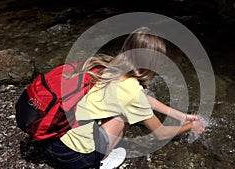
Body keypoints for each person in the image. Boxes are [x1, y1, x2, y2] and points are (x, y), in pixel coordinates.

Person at [47, 27, 205, 169]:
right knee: (125, 116)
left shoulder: (107, 66)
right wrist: (191, 127)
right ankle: (103, 161)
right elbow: (161, 133)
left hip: (53, 140)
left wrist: (180, 116)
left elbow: (144, 99)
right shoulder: (132, 92)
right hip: (76, 157)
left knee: (126, 108)